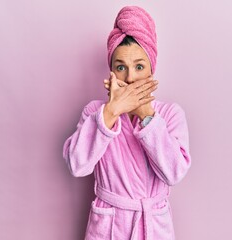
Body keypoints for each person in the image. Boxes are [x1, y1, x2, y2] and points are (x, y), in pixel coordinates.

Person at [63, 6, 192, 240]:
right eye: (121, 67)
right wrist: (111, 112)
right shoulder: (96, 113)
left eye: (139, 67)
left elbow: (173, 174)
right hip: (109, 226)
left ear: (152, 69)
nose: (130, 78)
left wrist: (147, 116)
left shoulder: (170, 115)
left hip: (153, 226)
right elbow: (77, 165)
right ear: (111, 71)